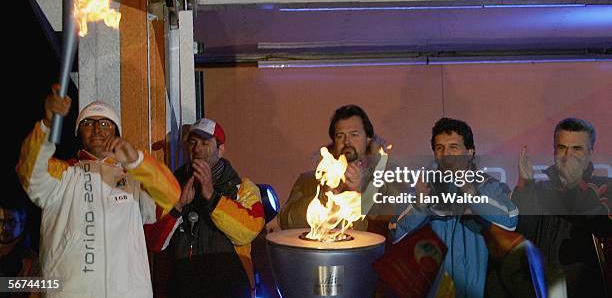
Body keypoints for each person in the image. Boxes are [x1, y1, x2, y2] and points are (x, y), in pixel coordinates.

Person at [15, 85, 181, 297]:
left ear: (116, 131)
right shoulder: (62, 174)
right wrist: (47, 125)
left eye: (105, 123)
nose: (97, 129)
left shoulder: (134, 178)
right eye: (88, 123)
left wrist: (136, 161)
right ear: (78, 132)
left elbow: (171, 195)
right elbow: (29, 171)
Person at [390, 117, 518, 298]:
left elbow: (511, 219)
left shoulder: (488, 186)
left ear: (470, 152)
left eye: (453, 147)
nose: (446, 154)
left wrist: (472, 195)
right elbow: (395, 232)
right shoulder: (424, 188)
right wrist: (419, 205)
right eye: (439, 148)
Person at [145, 118, 265, 298]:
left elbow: (249, 231)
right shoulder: (171, 187)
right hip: (182, 288)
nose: (197, 149)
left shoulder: (242, 188)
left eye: (205, 143)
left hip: (229, 288)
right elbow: (155, 243)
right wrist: (178, 206)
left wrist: (211, 196)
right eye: (192, 143)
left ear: (221, 149)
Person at [512, 117, 611, 297]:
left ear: (590, 153)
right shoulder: (539, 190)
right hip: (541, 290)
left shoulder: (605, 187)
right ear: (554, 151)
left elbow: (602, 226)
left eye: (577, 149)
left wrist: (575, 185)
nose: (568, 156)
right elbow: (522, 233)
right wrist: (525, 186)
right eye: (562, 148)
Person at [279, 104, 395, 233]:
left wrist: (360, 193)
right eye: (340, 136)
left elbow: (393, 223)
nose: (347, 142)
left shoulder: (386, 179)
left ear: (368, 139)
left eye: (354, 135)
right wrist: (325, 196)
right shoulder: (308, 180)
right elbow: (286, 222)